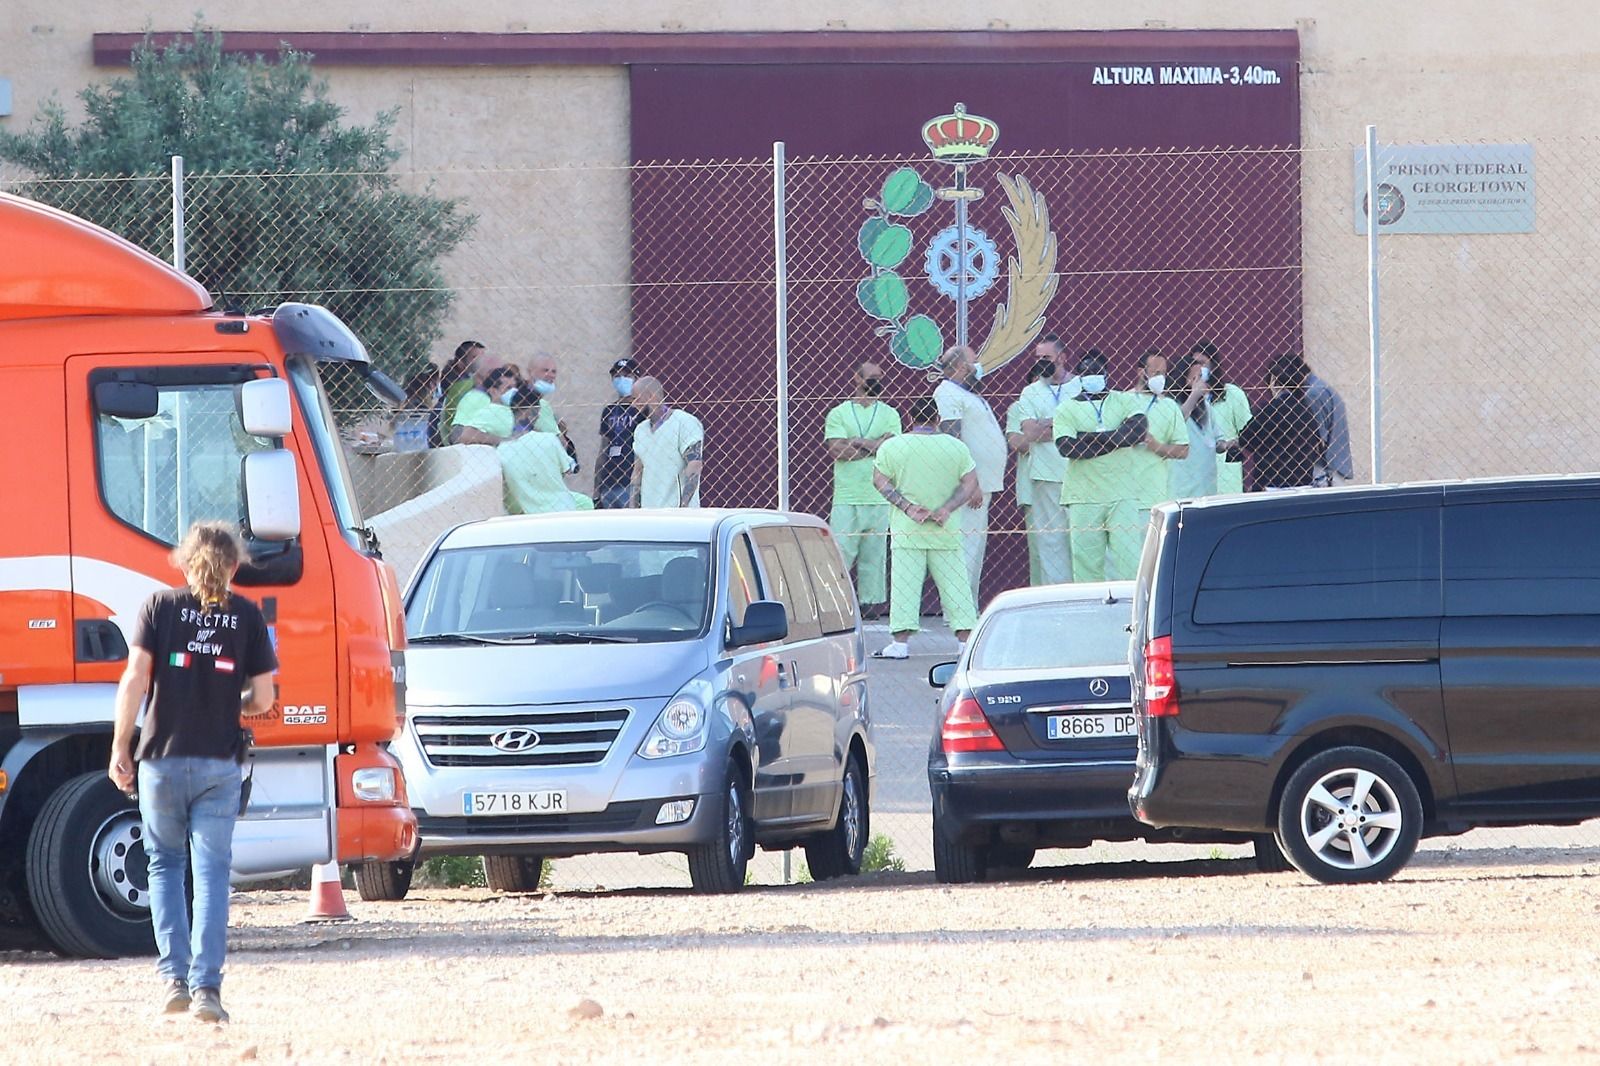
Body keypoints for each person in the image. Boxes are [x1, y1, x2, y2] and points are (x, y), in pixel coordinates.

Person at [108, 522, 277, 1024]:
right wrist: (230, 700)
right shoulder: (248, 615)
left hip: (161, 760)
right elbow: (263, 698)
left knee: (163, 865)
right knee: (211, 874)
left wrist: (120, 745)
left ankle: (173, 981)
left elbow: (135, 679)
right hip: (219, 764)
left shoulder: (157, 607)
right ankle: (207, 989)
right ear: (234, 566)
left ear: (184, 562)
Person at [871, 396, 980, 660]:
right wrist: (947, 508)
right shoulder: (956, 447)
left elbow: (880, 481)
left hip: (908, 529)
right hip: (945, 529)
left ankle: (900, 643)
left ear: (910, 418)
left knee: (904, 585)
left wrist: (907, 507)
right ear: (937, 419)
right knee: (956, 586)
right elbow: (970, 482)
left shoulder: (893, 446)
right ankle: (965, 642)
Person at [1053, 349, 1167, 582]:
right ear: (1079, 376)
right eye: (1087, 371)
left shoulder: (1124, 400)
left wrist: (1087, 437)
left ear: (1107, 374)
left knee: (1130, 563)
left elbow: (1137, 432)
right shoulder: (1066, 408)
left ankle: (1132, 604)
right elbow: (1068, 448)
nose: (1093, 375)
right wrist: (1115, 438)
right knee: (1086, 567)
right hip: (1083, 497)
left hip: (1122, 495)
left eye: (1097, 371)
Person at [824, 360, 902, 617]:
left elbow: (891, 448)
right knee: (841, 551)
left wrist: (857, 442)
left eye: (880, 377)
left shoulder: (890, 413)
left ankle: (870, 603)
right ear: (857, 379)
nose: (877, 381)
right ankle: (836, 602)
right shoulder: (838, 413)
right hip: (847, 496)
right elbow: (837, 450)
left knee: (874, 555)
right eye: (872, 377)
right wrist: (874, 446)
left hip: (879, 496)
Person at [933, 344, 1007, 602]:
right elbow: (952, 440)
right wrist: (970, 482)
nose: (978, 367)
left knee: (974, 549)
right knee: (964, 549)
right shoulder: (947, 393)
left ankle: (967, 607)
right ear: (962, 366)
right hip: (968, 488)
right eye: (974, 362)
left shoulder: (968, 394)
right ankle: (958, 610)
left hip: (981, 486)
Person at [1005, 335, 1078, 585]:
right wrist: (1065, 427)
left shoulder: (1078, 387)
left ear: (1062, 358)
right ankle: (1056, 598)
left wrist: (1046, 423)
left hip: (1077, 474)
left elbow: (1086, 430)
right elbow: (1030, 434)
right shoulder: (1030, 391)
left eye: (1047, 357)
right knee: (1050, 544)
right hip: (1045, 478)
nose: (1041, 362)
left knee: (1082, 541)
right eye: (1038, 358)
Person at [1235, 355, 1325, 490]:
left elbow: (1246, 438)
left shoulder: (1272, 410)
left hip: (1272, 484)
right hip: (1303, 483)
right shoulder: (1307, 410)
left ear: (1273, 380)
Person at [1181, 341, 1253, 495]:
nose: (1199, 368)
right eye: (1195, 363)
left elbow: (1248, 432)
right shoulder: (1184, 401)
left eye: (1203, 363)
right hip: (1195, 477)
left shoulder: (1232, 394)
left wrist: (1230, 444)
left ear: (1213, 365)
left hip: (1226, 477)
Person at [630, 377, 704, 508]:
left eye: (637, 399)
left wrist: (683, 507)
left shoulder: (684, 422)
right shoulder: (640, 430)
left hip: (677, 511)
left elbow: (694, 465)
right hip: (649, 511)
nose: (633, 404)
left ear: (651, 396)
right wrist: (634, 509)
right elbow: (637, 472)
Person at [501, 392, 579, 514]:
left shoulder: (502, 450)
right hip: (563, 508)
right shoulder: (549, 439)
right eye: (537, 413)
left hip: (532, 514)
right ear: (529, 413)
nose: (538, 417)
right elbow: (569, 469)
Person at [596, 358, 645, 509]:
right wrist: (597, 489)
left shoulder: (643, 410)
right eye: (617, 376)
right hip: (609, 481)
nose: (621, 379)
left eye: (627, 375)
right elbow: (603, 449)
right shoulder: (608, 411)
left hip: (631, 480)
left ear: (637, 378)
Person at [1304, 362, 1354, 486]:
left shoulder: (1313, 394)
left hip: (1323, 471)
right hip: (1334, 468)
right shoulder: (1323, 387)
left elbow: (1316, 439)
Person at [438, 340, 496, 446]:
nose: (481, 361)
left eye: (484, 357)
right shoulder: (461, 389)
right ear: (461, 363)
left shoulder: (492, 388)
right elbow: (454, 430)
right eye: (475, 357)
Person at [453, 366, 520, 444]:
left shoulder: (506, 407)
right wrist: (503, 441)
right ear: (493, 391)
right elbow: (460, 434)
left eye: (515, 387)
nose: (514, 391)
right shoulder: (478, 398)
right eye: (508, 388)